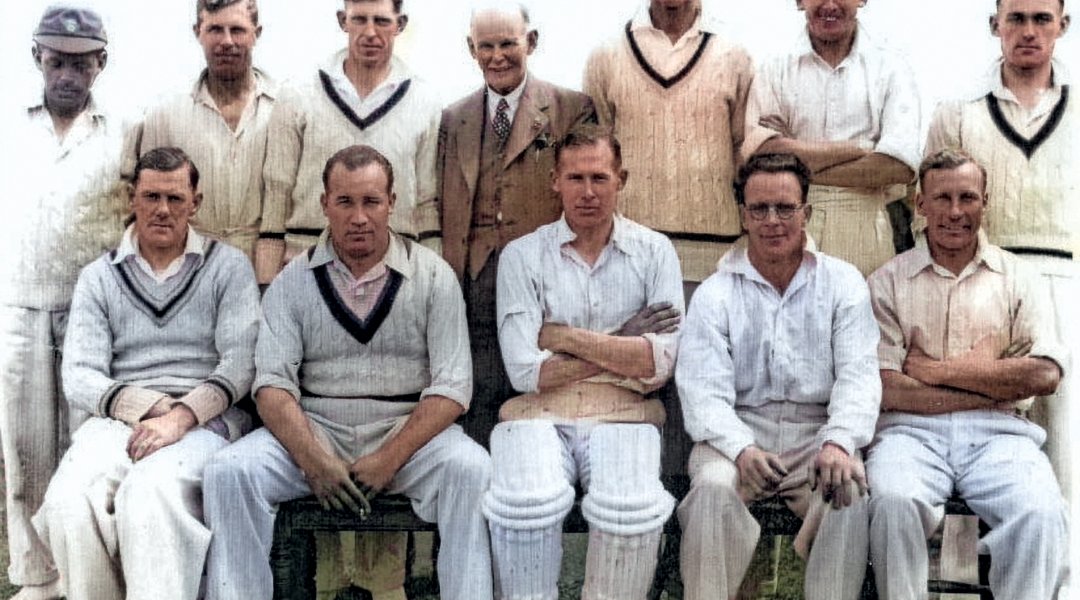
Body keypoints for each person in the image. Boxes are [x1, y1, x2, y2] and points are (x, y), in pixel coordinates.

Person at [203, 145, 492, 600]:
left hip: (406, 435)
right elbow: (272, 387)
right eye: (345, 202)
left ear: (392, 203)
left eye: (371, 202)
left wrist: (389, 459)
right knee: (228, 473)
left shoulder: (433, 276)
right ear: (325, 205)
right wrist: (312, 460)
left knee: (471, 469)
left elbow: (453, 389)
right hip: (317, 432)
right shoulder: (293, 280)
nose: (359, 217)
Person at [31, 147, 260, 600]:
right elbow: (79, 373)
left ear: (195, 202)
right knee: (69, 501)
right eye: (151, 196)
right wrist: (154, 408)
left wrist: (180, 418)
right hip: (121, 422)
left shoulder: (228, 267)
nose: (162, 210)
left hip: (204, 422)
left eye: (175, 199)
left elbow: (241, 362)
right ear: (131, 198)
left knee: (149, 494)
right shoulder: (99, 276)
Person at [485, 127, 683, 599]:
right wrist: (623, 340)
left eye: (600, 177)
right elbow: (526, 372)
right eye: (575, 178)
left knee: (630, 507)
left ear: (622, 179)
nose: (588, 192)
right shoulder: (523, 256)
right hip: (538, 410)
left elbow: (658, 363)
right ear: (555, 180)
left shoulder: (655, 251)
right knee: (524, 503)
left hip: (625, 413)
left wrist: (563, 338)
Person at [676, 153, 880, 600]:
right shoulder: (715, 293)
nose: (773, 221)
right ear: (743, 216)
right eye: (759, 209)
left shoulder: (843, 283)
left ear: (806, 212)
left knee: (847, 489)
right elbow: (703, 393)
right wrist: (742, 449)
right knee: (711, 490)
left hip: (816, 433)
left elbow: (858, 375)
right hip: (736, 435)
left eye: (785, 208)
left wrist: (838, 441)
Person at [866, 148, 1068, 599]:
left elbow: (1043, 375)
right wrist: (992, 382)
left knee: (1040, 513)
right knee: (893, 501)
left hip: (1001, 436)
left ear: (985, 201)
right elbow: (886, 388)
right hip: (910, 435)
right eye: (942, 199)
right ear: (920, 204)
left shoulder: (1018, 276)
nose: (956, 212)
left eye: (968, 198)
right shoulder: (888, 281)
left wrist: (935, 372)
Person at [924, 0, 1078, 576]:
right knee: (974, 427)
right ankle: (967, 580)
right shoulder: (959, 111)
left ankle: (1060, 586)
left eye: (1042, 18)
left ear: (1064, 25)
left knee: (1064, 449)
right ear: (996, 27)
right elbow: (936, 204)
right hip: (980, 280)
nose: (1029, 31)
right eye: (1016, 18)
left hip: (1064, 284)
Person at [0, 7, 127, 598]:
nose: (68, 74)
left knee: (88, 452)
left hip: (91, 314)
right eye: (57, 61)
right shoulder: (10, 125)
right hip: (19, 306)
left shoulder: (124, 130)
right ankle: (36, 578)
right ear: (37, 59)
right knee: (25, 450)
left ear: (100, 63)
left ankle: (91, 577)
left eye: (81, 62)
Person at [438, 1, 596, 445]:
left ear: (531, 42)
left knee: (539, 392)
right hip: (477, 281)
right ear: (471, 49)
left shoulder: (570, 107)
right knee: (482, 389)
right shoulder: (455, 118)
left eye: (508, 43)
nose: (497, 56)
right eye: (485, 46)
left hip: (544, 278)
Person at [259, 0, 442, 283]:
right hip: (307, 266)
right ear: (343, 20)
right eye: (359, 20)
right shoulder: (298, 93)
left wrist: (434, 279)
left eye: (381, 21)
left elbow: (426, 202)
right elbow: (276, 193)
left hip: (394, 273)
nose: (370, 32)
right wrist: (266, 283)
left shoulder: (425, 100)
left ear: (400, 24)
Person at [583, 0, 755, 288]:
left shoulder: (735, 56)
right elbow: (593, 160)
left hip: (716, 261)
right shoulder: (605, 56)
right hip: (627, 258)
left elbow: (745, 154)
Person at [743, 0, 921, 276]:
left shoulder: (892, 68)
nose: (830, 5)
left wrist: (796, 169)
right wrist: (854, 149)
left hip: (866, 228)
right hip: (792, 228)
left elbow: (896, 166)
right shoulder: (775, 68)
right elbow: (764, 154)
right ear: (800, 2)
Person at [122, 0, 278, 273]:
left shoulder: (284, 110)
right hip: (186, 271)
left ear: (257, 32)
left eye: (237, 30)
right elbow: (137, 203)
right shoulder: (165, 113)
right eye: (215, 29)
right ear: (198, 32)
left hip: (264, 272)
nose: (227, 41)